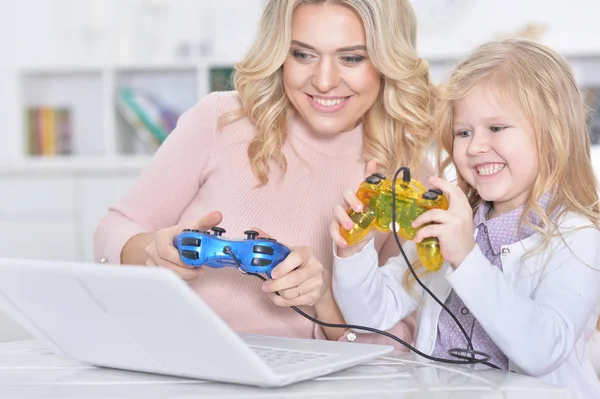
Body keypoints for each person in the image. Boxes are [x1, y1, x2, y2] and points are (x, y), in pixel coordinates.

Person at [94, 0, 434, 344]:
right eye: (303, 54)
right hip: (173, 355)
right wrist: (153, 250)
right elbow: (112, 230)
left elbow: (396, 342)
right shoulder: (220, 119)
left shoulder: (406, 171)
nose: (325, 81)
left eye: (352, 58)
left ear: (389, 61)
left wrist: (324, 300)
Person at [330, 39, 600, 398]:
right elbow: (372, 315)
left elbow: (543, 350)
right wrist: (355, 251)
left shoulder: (577, 238)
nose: (474, 147)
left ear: (553, 134)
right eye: (464, 132)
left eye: (497, 128)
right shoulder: (448, 222)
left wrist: (467, 258)